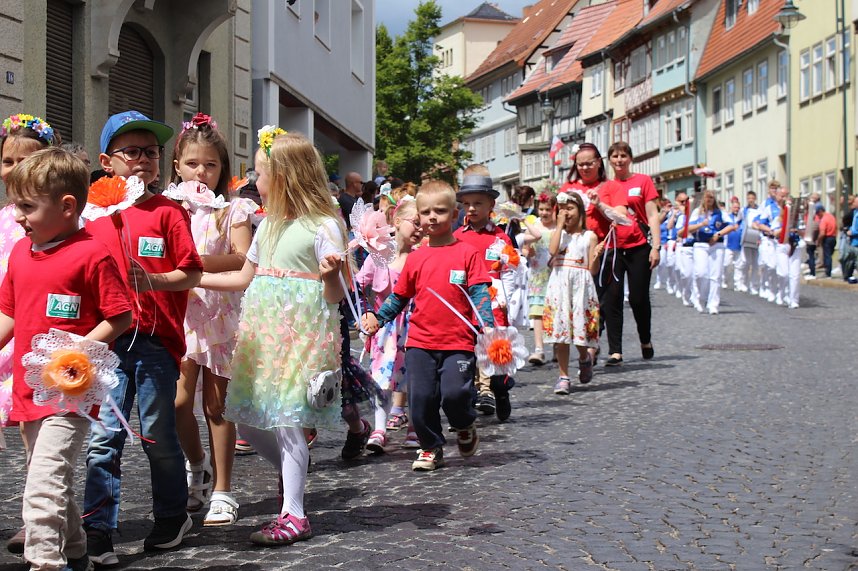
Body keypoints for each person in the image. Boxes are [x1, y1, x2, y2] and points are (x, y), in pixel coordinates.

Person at [200, 129, 346, 545]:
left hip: (302, 335)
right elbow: (244, 277)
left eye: (260, 173)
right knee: (247, 420)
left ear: (284, 177)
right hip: (263, 336)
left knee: (287, 420)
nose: (253, 180)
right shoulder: (267, 227)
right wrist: (187, 279)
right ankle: (292, 469)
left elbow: (335, 295)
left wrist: (331, 274)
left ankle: (294, 514)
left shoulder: (324, 225)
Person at [0, 148, 132, 571]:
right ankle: (76, 550)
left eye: (27, 207)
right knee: (52, 480)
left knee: (42, 486)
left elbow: (120, 315)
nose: (17, 216)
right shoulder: (21, 252)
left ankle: (46, 563)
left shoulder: (93, 253)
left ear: (67, 206)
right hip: (28, 390)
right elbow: (9, 312)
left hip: (70, 393)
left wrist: (76, 352)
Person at [83, 110, 203, 564]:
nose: (142, 160)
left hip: (155, 343)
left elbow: (191, 272)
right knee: (103, 439)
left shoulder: (169, 213)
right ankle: (97, 528)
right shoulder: (91, 215)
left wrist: (151, 281)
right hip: (107, 346)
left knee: (157, 435)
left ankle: (172, 515)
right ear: (106, 160)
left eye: (150, 152)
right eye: (130, 152)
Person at [361, 181, 493, 471]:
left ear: (456, 213)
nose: (433, 216)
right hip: (420, 342)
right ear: (418, 216)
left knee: (456, 394)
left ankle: (464, 425)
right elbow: (399, 297)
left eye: (441, 211)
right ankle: (430, 447)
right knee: (420, 400)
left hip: (458, 341)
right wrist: (378, 318)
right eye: (426, 211)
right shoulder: (417, 258)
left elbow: (480, 291)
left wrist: (487, 325)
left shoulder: (467, 253)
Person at [170, 113, 257, 526]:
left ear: (224, 168)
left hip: (221, 312)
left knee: (217, 405)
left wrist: (195, 262)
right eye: (192, 164)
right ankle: (197, 464)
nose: (201, 172)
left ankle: (223, 489)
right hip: (180, 313)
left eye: (210, 164)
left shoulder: (234, 208)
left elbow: (242, 255)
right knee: (177, 401)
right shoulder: (168, 207)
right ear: (177, 166)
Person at [0, 114, 62, 554]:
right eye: (7, 161)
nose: (15, 169)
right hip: (3, 329)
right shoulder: (7, 219)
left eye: (27, 160)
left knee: (34, 437)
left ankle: (35, 520)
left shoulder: (48, 222)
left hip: (35, 341)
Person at [355, 199, 421, 453]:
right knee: (381, 378)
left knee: (414, 378)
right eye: (415, 222)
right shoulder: (379, 255)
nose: (419, 229)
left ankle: (415, 426)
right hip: (385, 328)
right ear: (396, 222)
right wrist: (367, 313)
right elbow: (360, 287)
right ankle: (379, 428)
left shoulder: (421, 256)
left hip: (415, 326)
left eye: (422, 225)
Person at [453, 167, 516, 421]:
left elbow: (510, 270)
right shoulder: (456, 237)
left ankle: (500, 390)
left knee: (495, 353)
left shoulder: (500, 238)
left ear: (491, 203)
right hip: (465, 302)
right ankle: (473, 398)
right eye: (467, 204)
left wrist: (506, 298)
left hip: (493, 302)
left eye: (478, 203)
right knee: (465, 355)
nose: (471, 209)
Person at [559, 143, 628, 367]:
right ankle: (590, 344)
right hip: (577, 252)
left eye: (590, 163)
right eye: (581, 164)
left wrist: (600, 205)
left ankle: (613, 349)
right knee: (586, 301)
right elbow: (558, 218)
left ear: (599, 162)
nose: (586, 167)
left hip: (607, 249)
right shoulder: (567, 188)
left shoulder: (611, 186)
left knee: (610, 300)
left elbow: (623, 218)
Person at [542, 191, 601, 394]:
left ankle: (584, 358)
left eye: (570, 208)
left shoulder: (589, 236)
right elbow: (552, 250)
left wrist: (596, 256)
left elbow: (592, 270)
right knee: (561, 332)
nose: (566, 212)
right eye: (563, 208)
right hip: (559, 283)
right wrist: (558, 226)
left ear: (580, 211)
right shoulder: (559, 234)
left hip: (580, 286)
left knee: (579, 330)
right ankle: (564, 375)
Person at [607, 142, 659, 361]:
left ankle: (645, 339)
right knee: (613, 298)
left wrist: (656, 246)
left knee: (638, 298)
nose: (619, 160)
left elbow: (653, 214)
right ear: (609, 160)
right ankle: (615, 350)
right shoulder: (606, 185)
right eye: (615, 156)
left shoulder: (642, 181)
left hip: (639, 246)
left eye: (623, 156)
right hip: (614, 247)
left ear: (630, 158)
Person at [519, 192, 557, 365]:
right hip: (538, 275)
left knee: (556, 311)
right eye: (541, 209)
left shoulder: (558, 228)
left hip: (554, 275)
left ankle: (558, 347)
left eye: (548, 209)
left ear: (554, 209)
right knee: (537, 312)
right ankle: (539, 349)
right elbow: (525, 249)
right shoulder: (534, 227)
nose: (544, 213)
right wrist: (528, 253)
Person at [687, 190, 734, 314]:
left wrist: (718, 234)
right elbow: (689, 228)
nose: (709, 200)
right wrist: (701, 224)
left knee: (716, 276)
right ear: (703, 199)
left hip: (716, 245)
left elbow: (731, 226)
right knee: (701, 273)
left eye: (712, 198)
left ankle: (713, 304)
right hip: (701, 244)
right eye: (707, 198)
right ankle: (698, 297)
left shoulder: (721, 213)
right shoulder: (697, 212)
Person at [738, 190, 761, 294]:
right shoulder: (743, 210)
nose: (750, 200)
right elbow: (739, 222)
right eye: (749, 198)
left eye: (752, 198)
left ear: (755, 198)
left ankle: (754, 286)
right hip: (746, 239)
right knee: (746, 262)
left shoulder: (759, 209)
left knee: (756, 264)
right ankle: (743, 283)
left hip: (756, 238)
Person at [722, 197, 744, 290]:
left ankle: (737, 283)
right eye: (735, 207)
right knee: (726, 264)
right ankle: (724, 280)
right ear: (732, 207)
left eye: (738, 208)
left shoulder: (742, 219)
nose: (737, 209)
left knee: (739, 265)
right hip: (728, 245)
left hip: (739, 245)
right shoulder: (728, 217)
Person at [816, 203, 837, 278]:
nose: (818, 215)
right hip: (834, 238)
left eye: (818, 213)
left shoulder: (824, 219)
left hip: (827, 238)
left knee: (827, 256)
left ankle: (828, 273)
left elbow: (822, 233)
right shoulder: (831, 216)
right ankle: (828, 271)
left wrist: (818, 240)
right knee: (829, 255)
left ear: (821, 211)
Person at [804, 192, 820, 280]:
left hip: (811, 235)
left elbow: (815, 225)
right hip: (809, 234)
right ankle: (811, 271)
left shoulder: (812, 212)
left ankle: (812, 273)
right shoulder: (809, 213)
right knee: (810, 254)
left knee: (811, 254)